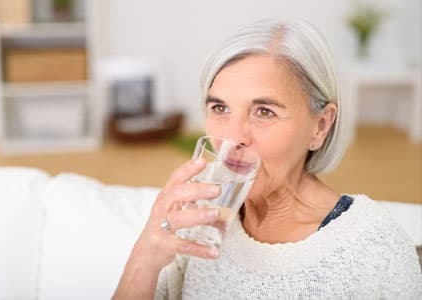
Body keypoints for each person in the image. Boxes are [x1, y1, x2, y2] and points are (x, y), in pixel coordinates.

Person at [113, 19, 422, 299]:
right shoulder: (192, 224)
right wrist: (146, 254)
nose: (233, 138)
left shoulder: (374, 251)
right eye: (220, 108)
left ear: (321, 126)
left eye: (264, 112)